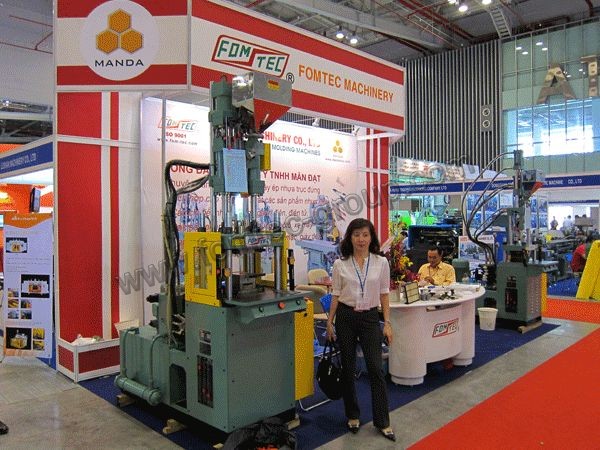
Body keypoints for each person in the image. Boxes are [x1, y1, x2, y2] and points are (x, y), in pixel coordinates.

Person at [325, 218, 395, 442]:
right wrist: (329, 322)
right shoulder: (340, 264)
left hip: (370, 318)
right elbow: (336, 294)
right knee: (348, 368)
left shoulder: (381, 263)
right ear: (350, 238)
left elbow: (384, 293)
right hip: (345, 317)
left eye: (365, 234)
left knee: (375, 368)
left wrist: (388, 323)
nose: (361, 239)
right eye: (356, 235)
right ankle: (352, 415)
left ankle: (382, 421)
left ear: (371, 237)